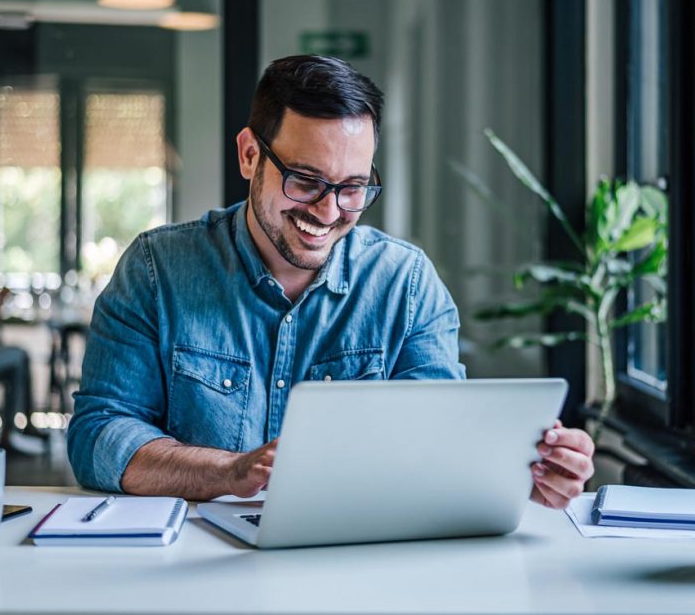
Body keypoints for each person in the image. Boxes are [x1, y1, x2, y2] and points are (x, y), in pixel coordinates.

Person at [67, 54, 594, 508]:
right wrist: (231, 471)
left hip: (354, 571)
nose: (329, 210)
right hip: (191, 568)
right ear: (250, 155)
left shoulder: (405, 287)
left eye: (354, 188)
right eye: (306, 180)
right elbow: (98, 437)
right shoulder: (157, 271)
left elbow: (435, 446)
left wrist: (522, 472)